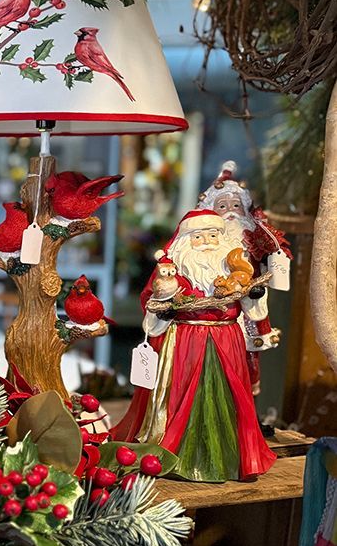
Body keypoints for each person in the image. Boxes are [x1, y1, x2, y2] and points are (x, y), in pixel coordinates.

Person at [112, 210, 276, 481]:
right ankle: (176, 449)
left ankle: (228, 454)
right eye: (199, 236)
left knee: (228, 392)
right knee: (181, 391)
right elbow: (153, 301)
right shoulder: (173, 270)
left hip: (226, 338)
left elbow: (252, 307)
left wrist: (253, 296)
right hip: (185, 341)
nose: (208, 242)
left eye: (213, 235)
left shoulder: (236, 268)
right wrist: (162, 312)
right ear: (186, 240)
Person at [197, 160, 291, 393]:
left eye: (236, 205)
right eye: (222, 206)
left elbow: (274, 247)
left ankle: (247, 407)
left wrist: (260, 222)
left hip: (249, 305)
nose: (230, 211)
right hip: (214, 308)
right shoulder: (202, 240)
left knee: (249, 357)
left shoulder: (252, 236)